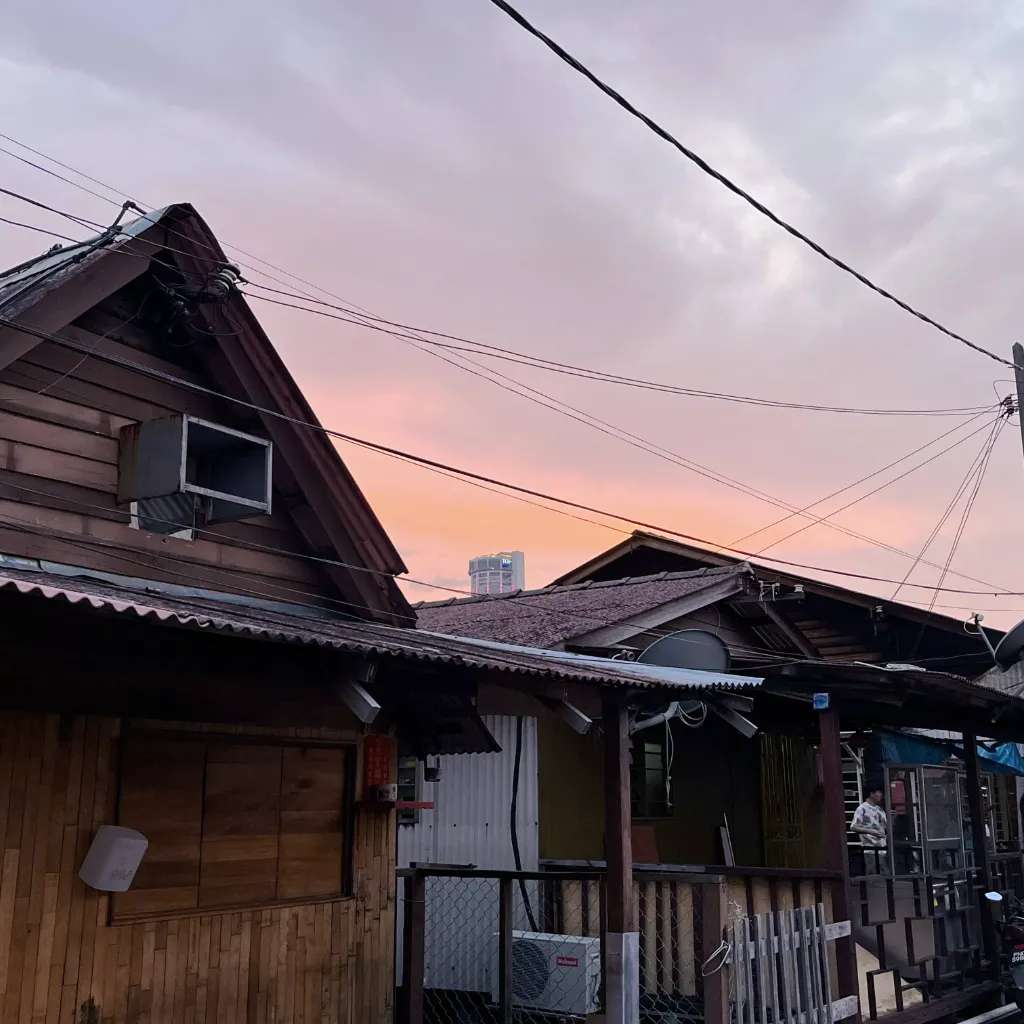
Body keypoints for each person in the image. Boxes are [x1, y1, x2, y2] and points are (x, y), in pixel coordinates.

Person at [852, 784, 888, 874]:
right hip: (870, 849)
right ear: (872, 794)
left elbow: (885, 826)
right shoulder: (862, 809)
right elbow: (853, 826)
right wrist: (871, 831)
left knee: (884, 876)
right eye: (879, 792)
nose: (881, 795)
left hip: (882, 848)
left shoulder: (880, 809)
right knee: (872, 876)